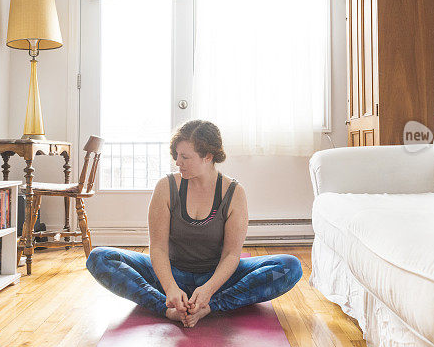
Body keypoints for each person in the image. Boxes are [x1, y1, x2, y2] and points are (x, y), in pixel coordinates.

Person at [86, 120, 303, 327]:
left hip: (217, 278)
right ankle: (167, 308)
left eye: (185, 157)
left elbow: (231, 255)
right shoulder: (166, 187)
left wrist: (208, 291)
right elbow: (159, 248)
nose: (177, 162)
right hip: (172, 273)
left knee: (290, 267)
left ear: (208, 156)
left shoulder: (234, 192)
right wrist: (170, 287)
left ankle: (210, 307)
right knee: (99, 258)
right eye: (177, 155)